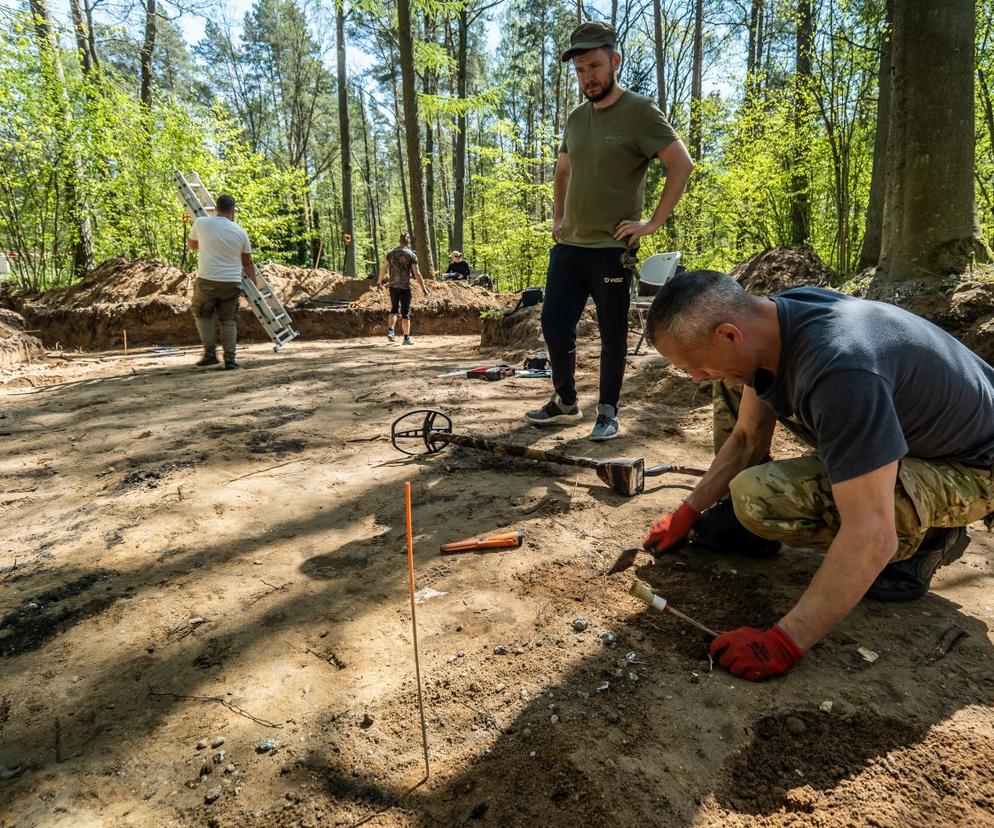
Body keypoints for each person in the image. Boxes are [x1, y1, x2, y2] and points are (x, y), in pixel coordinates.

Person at [641, 270, 994, 682]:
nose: (695, 378)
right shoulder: (772, 319)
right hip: (918, 432)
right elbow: (747, 438)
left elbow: (871, 533)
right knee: (732, 382)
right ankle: (748, 525)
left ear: (729, 335)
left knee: (764, 497)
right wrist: (689, 509)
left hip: (973, 466)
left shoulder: (841, 369)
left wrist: (783, 641)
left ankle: (929, 538)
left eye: (694, 366)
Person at [525, 20, 694, 441]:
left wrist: (653, 222)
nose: (588, 77)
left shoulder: (639, 111)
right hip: (569, 245)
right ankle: (565, 402)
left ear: (614, 61)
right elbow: (563, 169)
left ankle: (608, 410)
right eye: (581, 70)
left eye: (595, 67)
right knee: (553, 324)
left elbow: (681, 164)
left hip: (609, 249)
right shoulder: (576, 119)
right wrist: (558, 216)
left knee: (612, 332)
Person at [188, 194, 257, 369]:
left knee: (202, 314)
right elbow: (247, 263)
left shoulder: (201, 223)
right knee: (228, 320)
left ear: (216, 208)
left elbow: (193, 245)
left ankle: (210, 355)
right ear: (233, 211)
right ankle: (230, 360)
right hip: (231, 283)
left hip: (207, 281)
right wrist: (254, 288)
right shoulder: (240, 232)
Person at [377, 232, 430, 345]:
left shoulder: (391, 253)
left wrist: (379, 282)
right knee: (405, 312)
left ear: (399, 240)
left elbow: (383, 268)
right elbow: (417, 273)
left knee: (394, 309)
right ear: (408, 241)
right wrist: (423, 288)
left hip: (393, 286)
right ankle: (406, 338)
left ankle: (391, 331)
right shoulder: (411, 255)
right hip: (405, 287)